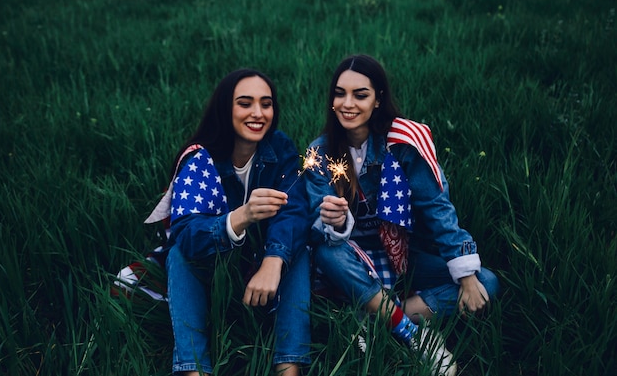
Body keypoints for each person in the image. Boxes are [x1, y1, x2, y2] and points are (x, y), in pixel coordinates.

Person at [305, 54, 500, 376]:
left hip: (400, 254)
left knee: (485, 282)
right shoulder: (319, 152)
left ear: (378, 100)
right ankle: (414, 334)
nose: (347, 103)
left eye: (360, 94)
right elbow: (315, 225)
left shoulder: (401, 145)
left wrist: (465, 274)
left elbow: (437, 208)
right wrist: (334, 221)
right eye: (340, 93)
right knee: (328, 250)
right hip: (349, 258)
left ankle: (378, 318)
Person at [146, 69, 311, 376]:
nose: (258, 113)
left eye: (266, 103)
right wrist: (241, 216)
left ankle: (289, 367)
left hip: (262, 260)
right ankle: (194, 368)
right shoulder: (200, 159)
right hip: (215, 262)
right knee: (179, 255)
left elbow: (296, 208)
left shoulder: (280, 147)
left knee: (297, 249)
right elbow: (187, 233)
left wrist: (274, 260)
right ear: (225, 108)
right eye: (245, 103)